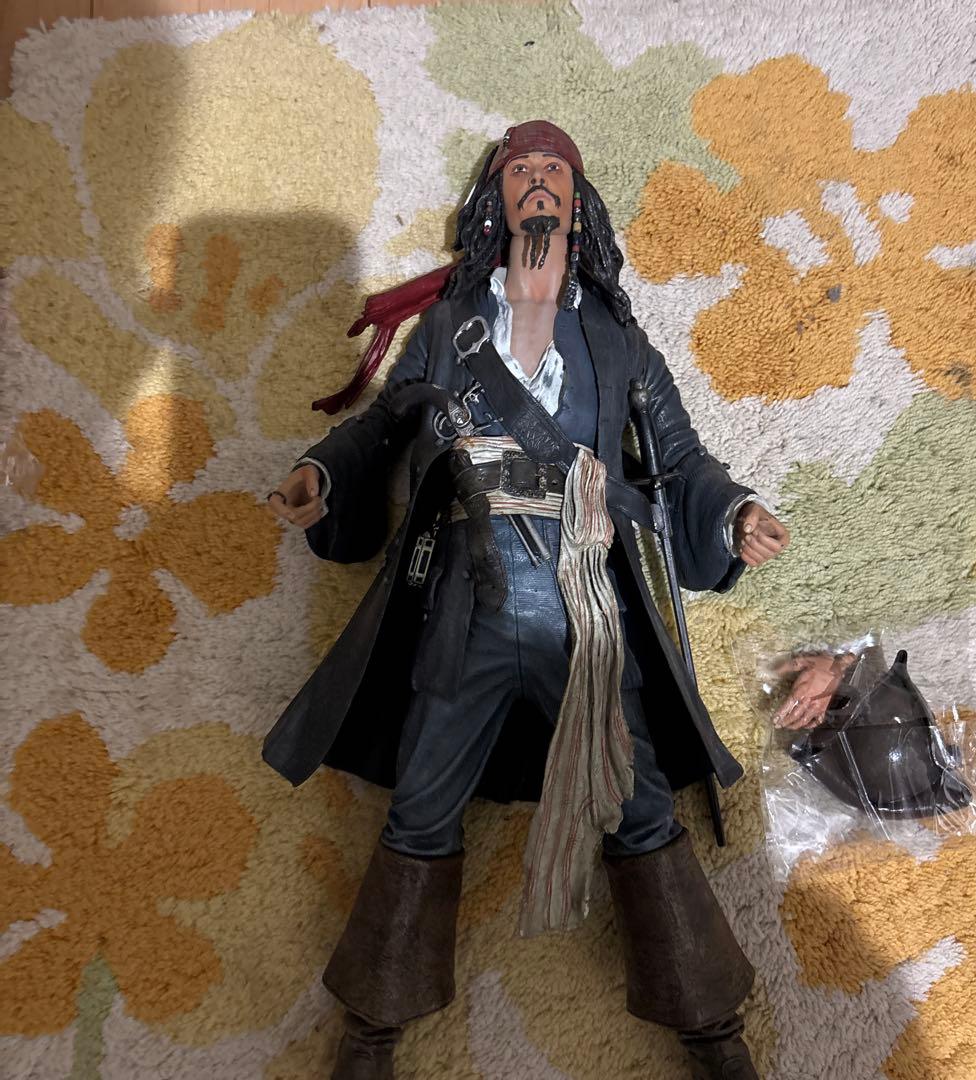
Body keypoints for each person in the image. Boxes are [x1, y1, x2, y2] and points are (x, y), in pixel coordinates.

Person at [263, 121, 790, 1080]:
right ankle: (370, 1033)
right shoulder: (448, 328)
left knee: (640, 809)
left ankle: (714, 1031)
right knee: (421, 805)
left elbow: (679, 458)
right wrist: (324, 476)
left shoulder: (618, 340)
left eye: (555, 171)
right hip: (467, 592)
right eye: (521, 171)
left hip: (585, 597)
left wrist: (732, 513)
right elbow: (384, 426)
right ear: (495, 200)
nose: (539, 182)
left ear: (578, 204)